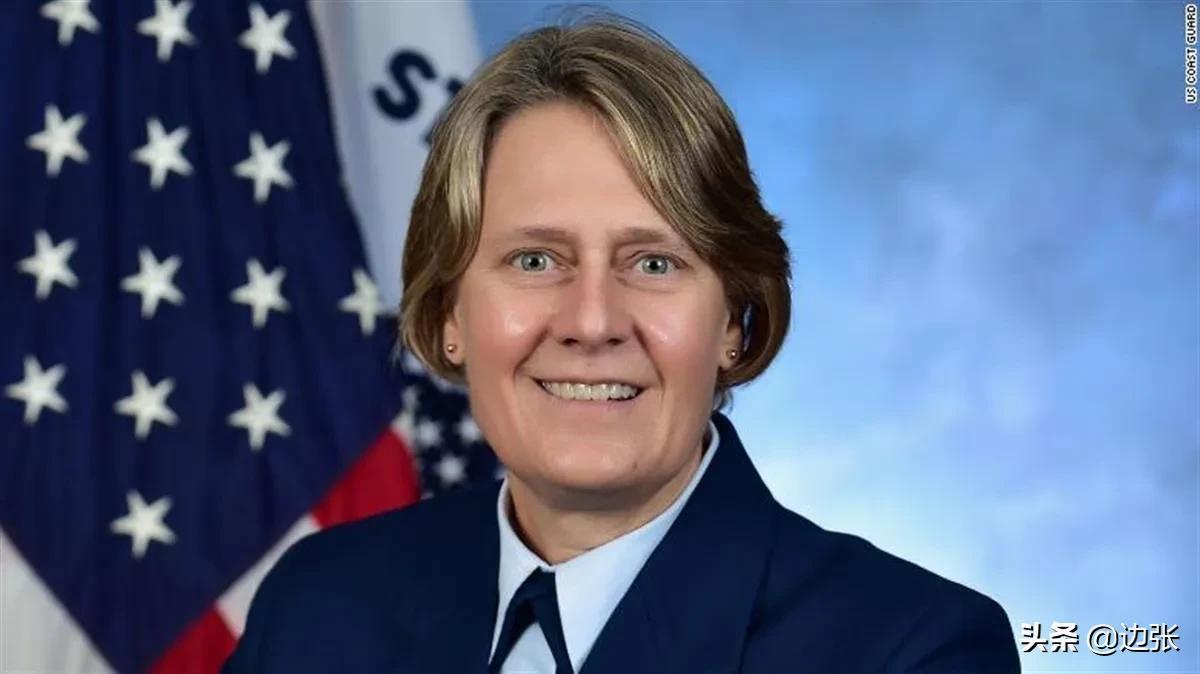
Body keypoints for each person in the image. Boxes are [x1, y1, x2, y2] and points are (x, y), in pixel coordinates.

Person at [222, 13, 1021, 674]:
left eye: (653, 263)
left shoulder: (910, 650)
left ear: (735, 321)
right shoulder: (316, 609)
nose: (593, 320)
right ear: (448, 315)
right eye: (535, 260)